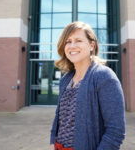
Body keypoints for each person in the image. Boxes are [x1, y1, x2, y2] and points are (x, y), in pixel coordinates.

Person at [50, 21, 125, 150]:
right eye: (68, 41)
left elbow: (115, 132)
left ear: (91, 45)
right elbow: (59, 118)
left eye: (78, 40)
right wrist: (52, 141)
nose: (72, 46)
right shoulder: (65, 80)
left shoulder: (104, 77)